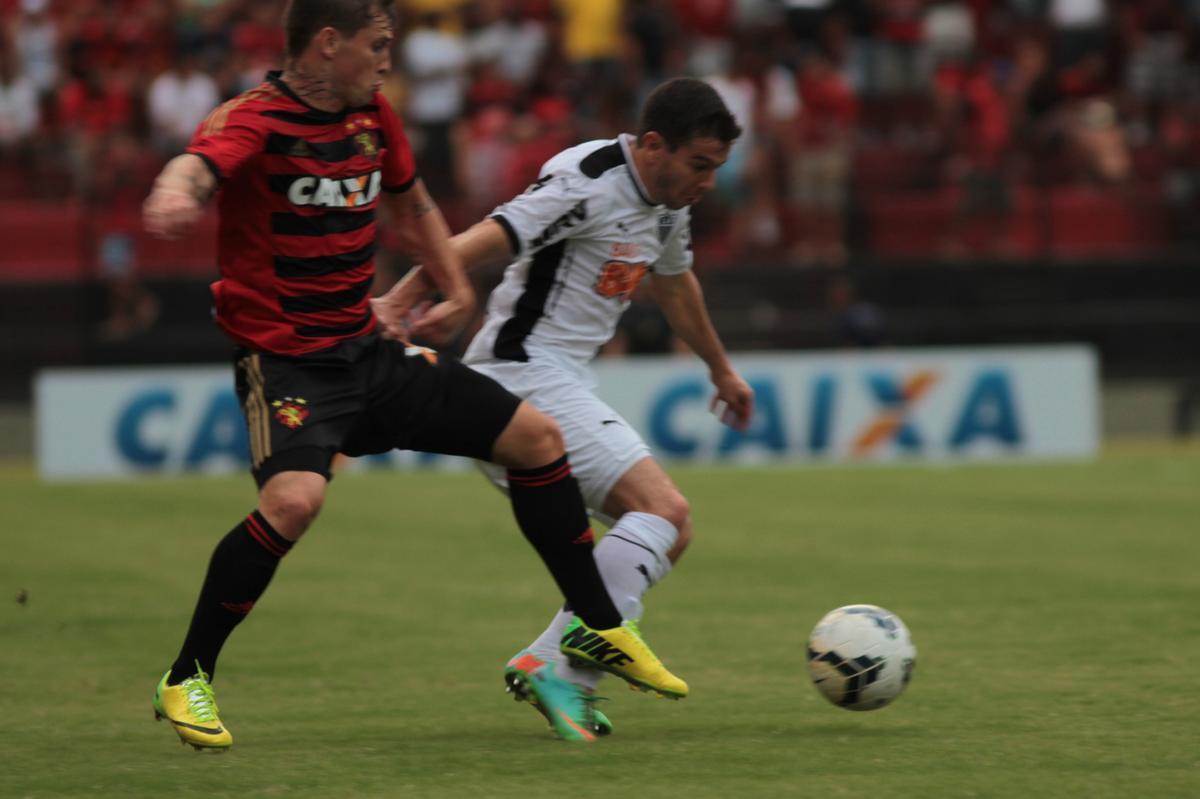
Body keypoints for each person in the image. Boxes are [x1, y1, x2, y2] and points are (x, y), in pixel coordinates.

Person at [142, 0, 681, 751]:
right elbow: (199, 165)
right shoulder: (254, 118)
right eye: (378, 45)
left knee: (535, 438)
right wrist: (175, 191)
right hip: (289, 363)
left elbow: (415, 203)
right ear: (328, 44)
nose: (388, 61)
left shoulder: (373, 117)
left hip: (371, 352)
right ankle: (186, 677)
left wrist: (455, 289)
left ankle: (597, 624)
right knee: (294, 502)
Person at [373, 77, 755, 740]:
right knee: (663, 510)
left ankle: (556, 670)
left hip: (557, 380)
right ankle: (563, 658)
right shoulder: (589, 181)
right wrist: (400, 298)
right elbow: (486, 237)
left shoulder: (667, 204)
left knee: (669, 529)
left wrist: (720, 367)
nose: (708, 183)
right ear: (654, 146)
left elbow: (675, 284)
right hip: (521, 377)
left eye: (716, 168)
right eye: (700, 165)